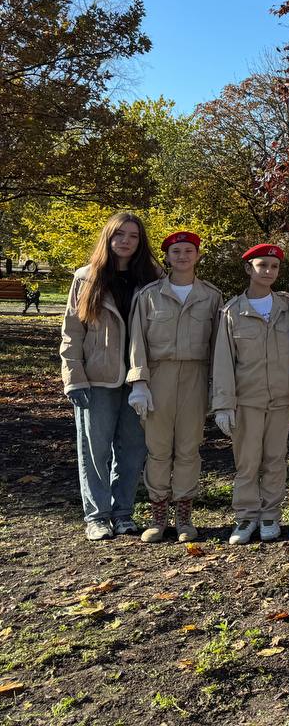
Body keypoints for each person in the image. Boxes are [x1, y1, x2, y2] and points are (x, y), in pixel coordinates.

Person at [60, 212, 162, 540]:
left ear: (140, 240)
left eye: (133, 236)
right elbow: (71, 332)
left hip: (140, 379)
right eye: (119, 235)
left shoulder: (153, 277)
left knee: (133, 449)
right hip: (97, 378)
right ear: (108, 237)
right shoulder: (86, 278)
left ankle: (123, 513)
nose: (126, 241)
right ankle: (97, 516)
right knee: (96, 450)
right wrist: (73, 376)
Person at [127, 232, 223, 543]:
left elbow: (218, 347)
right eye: (176, 251)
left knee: (188, 448)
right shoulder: (149, 295)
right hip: (159, 376)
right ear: (167, 257)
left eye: (189, 250)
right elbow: (137, 340)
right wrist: (139, 381)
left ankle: (184, 515)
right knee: (157, 450)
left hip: (196, 376)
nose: (182, 256)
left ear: (197, 255)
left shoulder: (211, 296)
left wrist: (217, 389)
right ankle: (157, 515)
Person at [211, 244, 289, 546]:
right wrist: (223, 404)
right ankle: (246, 516)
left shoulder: (288, 308)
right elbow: (223, 361)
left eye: (274, 267)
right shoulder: (232, 311)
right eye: (262, 265)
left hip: (281, 398)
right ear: (249, 269)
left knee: (275, 459)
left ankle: (270, 516)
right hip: (247, 400)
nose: (268, 272)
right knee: (248, 462)